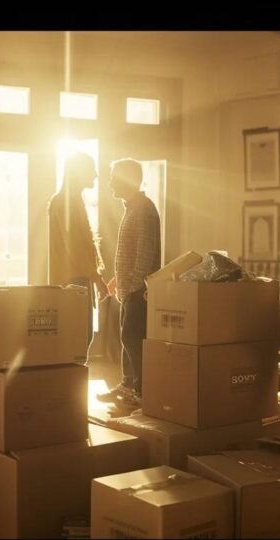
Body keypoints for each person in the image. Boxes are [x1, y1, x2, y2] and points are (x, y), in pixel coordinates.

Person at [96, 158, 160, 408]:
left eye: (113, 177)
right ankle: (128, 383)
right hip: (128, 288)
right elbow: (131, 252)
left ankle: (142, 392)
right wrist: (117, 280)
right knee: (127, 338)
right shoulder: (133, 207)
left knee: (133, 339)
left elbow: (144, 255)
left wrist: (133, 286)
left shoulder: (144, 209)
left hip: (138, 291)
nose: (109, 182)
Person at [48, 152, 106, 351]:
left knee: (80, 337)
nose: (96, 175)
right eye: (91, 170)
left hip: (76, 278)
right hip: (71, 280)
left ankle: (74, 381)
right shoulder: (65, 202)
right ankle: (73, 382)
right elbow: (75, 247)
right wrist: (96, 278)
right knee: (78, 338)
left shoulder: (72, 200)